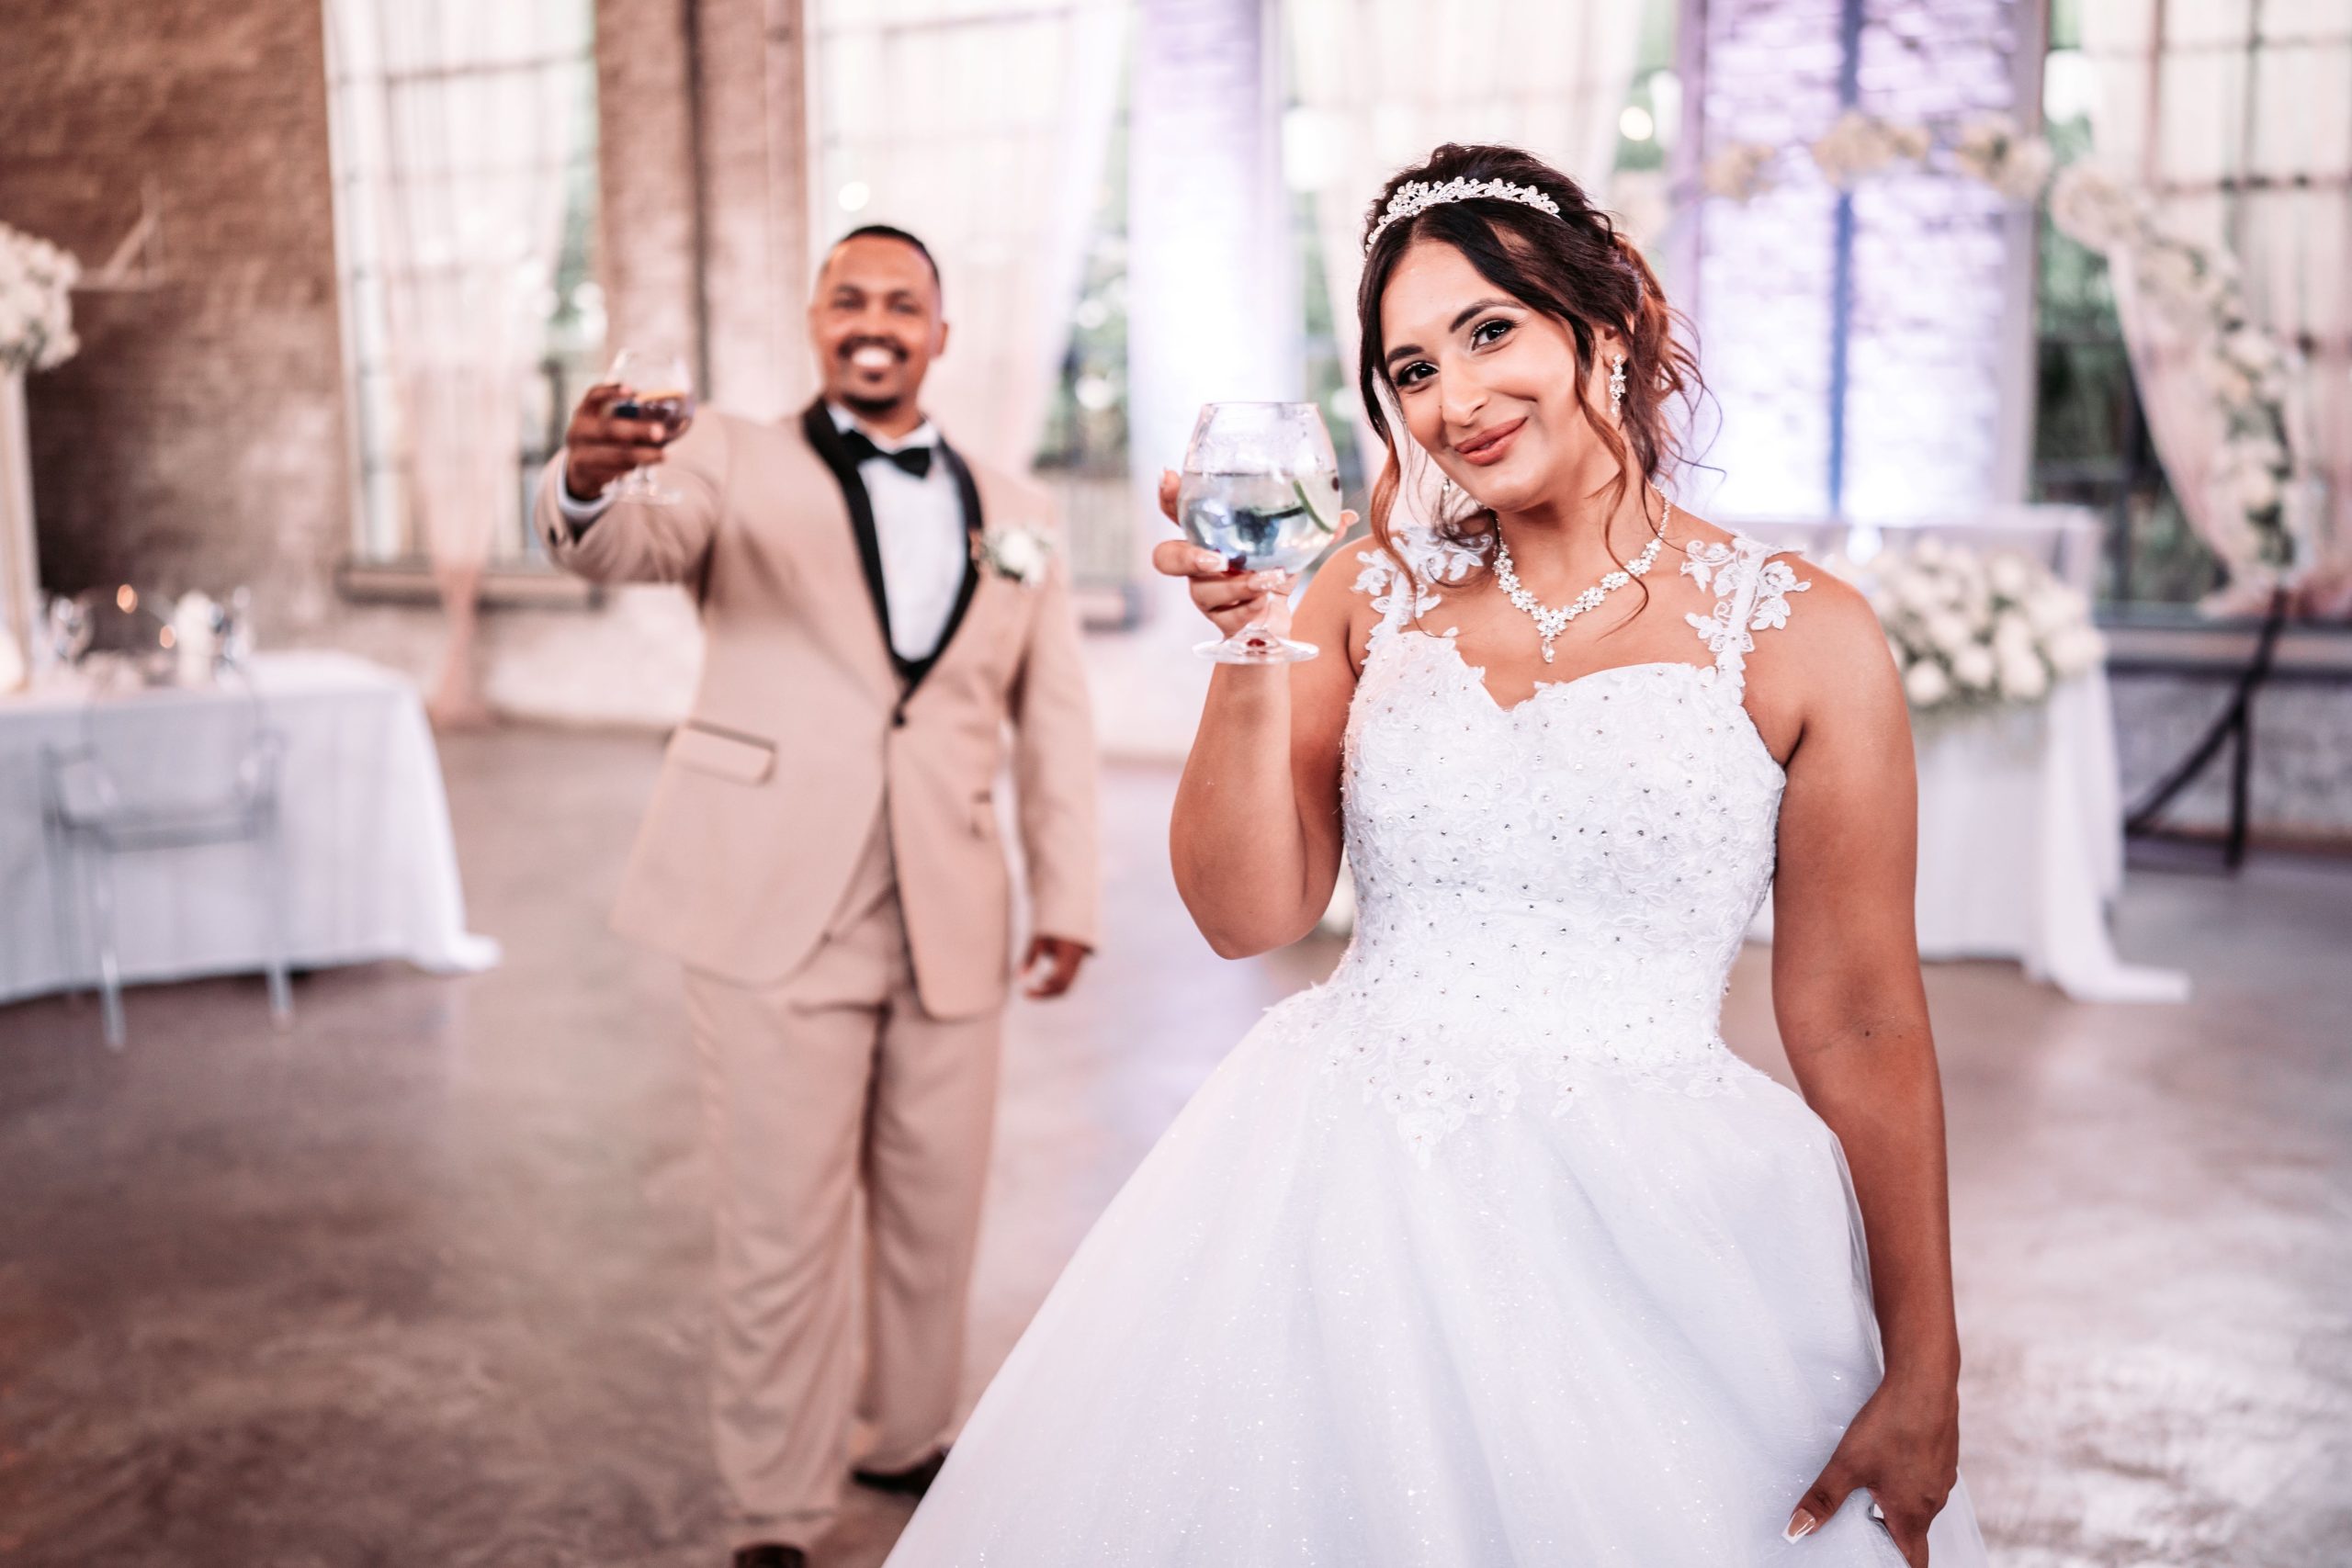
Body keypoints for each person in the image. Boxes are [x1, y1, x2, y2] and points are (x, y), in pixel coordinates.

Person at [882, 145, 1986, 1565]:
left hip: (1647, 1210)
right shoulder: (1365, 592)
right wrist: (1250, 643)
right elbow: (1245, 915)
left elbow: (1861, 1018)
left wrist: (1926, 1358)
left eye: (1489, 332)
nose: (1454, 400)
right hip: (1340, 1183)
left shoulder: (1807, 634)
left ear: (1608, 325)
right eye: (1412, 369)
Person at [535, 224, 1099, 1568]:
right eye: (850, 297)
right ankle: (777, 1510)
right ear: (814, 319)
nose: (875, 320)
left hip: (951, 904)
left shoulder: (1020, 507)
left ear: (941, 335)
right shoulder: (723, 454)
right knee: (781, 1228)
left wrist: (1067, 890)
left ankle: (907, 1434)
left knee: (936, 1212)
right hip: (772, 903)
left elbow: (1053, 716)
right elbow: (628, 546)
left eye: (903, 302)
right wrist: (589, 479)